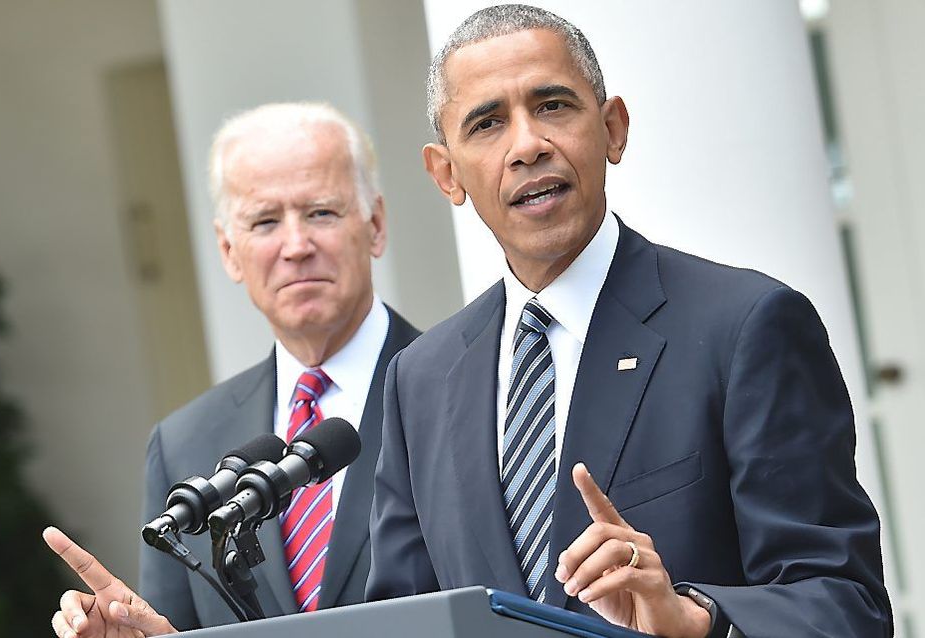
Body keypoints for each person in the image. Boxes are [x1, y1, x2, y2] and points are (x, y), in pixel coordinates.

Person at [367, 5, 891, 638]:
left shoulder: (746, 326)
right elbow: (402, 620)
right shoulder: (419, 380)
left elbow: (844, 607)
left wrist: (694, 618)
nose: (528, 145)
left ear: (613, 129)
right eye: (487, 123)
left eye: (554, 106)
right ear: (446, 172)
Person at [44, 102, 420, 638]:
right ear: (229, 251)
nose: (296, 246)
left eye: (320, 212)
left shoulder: (461, 388)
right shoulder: (183, 444)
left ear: (376, 226)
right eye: (265, 222)